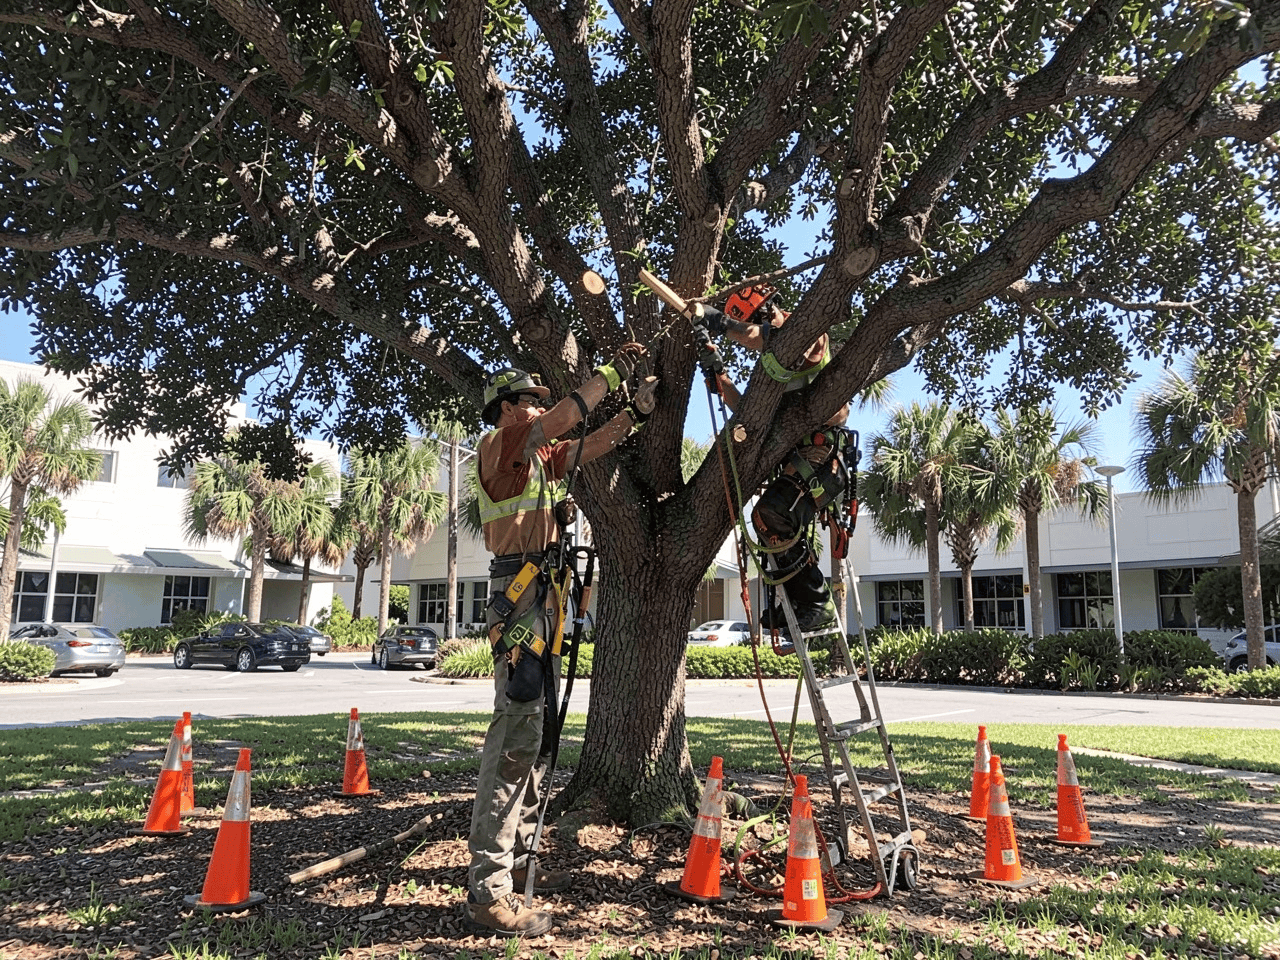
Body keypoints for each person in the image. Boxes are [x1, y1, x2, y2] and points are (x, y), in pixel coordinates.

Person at [465, 345, 659, 938]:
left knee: (541, 734)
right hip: (520, 599)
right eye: (529, 401)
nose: (536, 410)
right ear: (507, 408)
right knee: (516, 733)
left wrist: (635, 414)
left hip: (542, 599)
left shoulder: (539, 459)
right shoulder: (499, 444)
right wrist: (611, 374)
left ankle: (520, 861)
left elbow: (588, 444)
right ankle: (488, 890)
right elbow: (563, 421)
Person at [695, 284, 852, 634]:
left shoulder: (808, 332)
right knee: (768, 522)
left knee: (771, 513)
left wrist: (719, 322)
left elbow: (761, 336)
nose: (750, 339)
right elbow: (748, 410)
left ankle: (817, 604)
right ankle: (797, 603)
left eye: (753, 324)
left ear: (767, 312)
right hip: (798, 457)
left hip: (822, 456)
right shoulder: (771, 366)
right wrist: (720, 377)